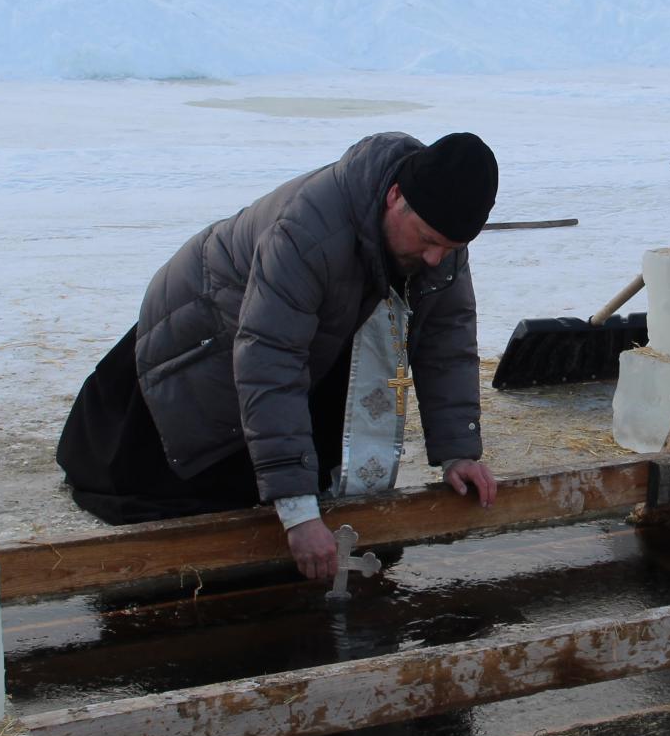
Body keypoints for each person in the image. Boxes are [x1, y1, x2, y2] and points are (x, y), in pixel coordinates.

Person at [57, 131, 501, 581]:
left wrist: (458, 452)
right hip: (205, 336)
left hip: (307, 335)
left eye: (450, 248)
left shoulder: (439, 236)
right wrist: (297, 510)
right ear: (394, 197)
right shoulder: (308, 230)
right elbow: (269, 361)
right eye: (428, 240)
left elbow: (448, 340)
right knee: (192, 494)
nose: (434, 258)